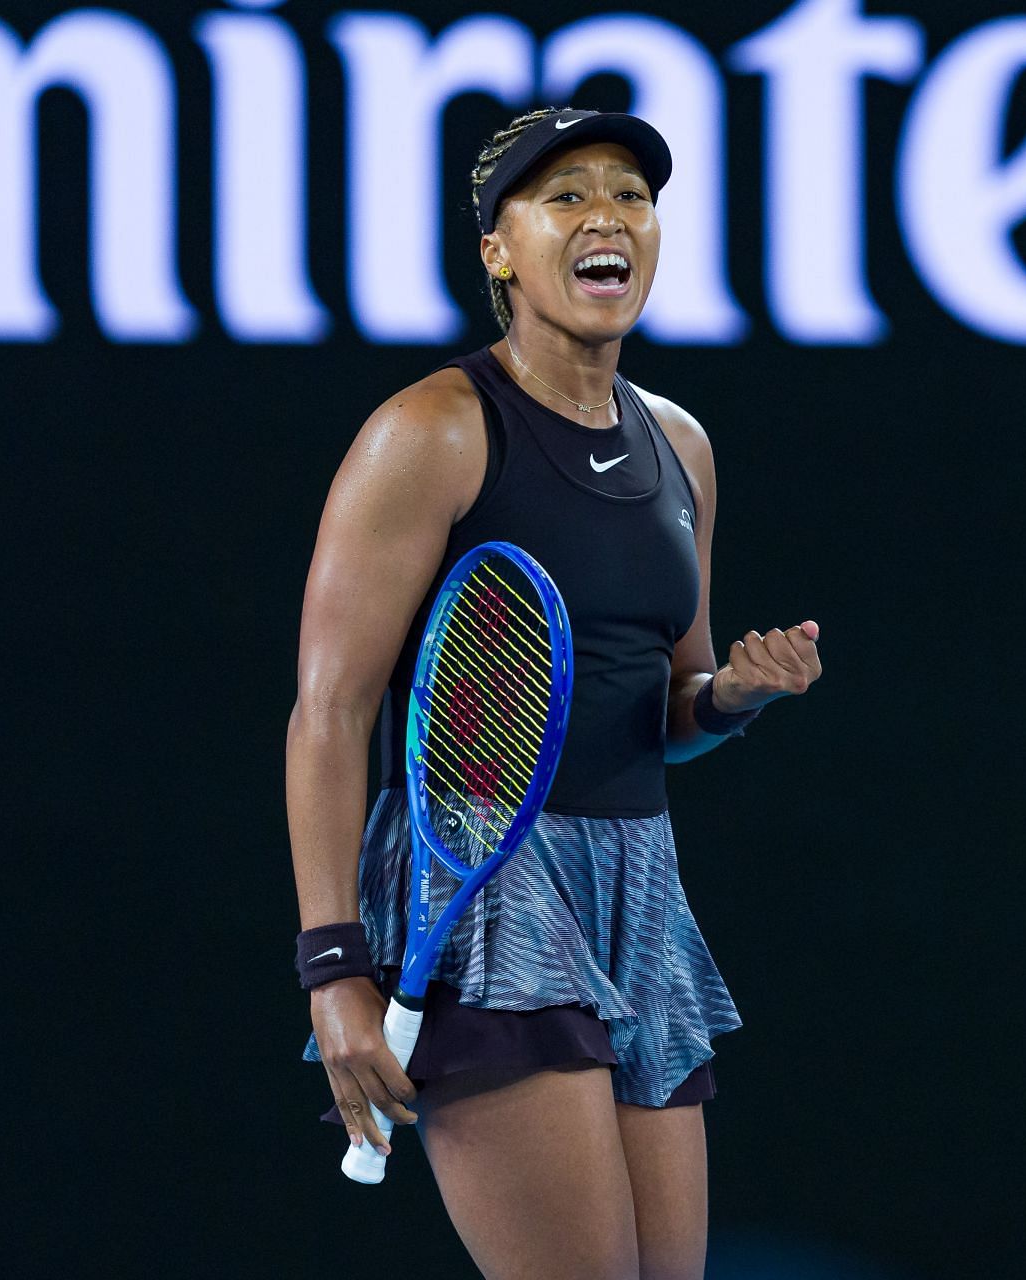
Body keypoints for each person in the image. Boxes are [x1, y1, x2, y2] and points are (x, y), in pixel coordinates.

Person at [285, 105, 822, 1279]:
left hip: (641, 889)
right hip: (483, 886)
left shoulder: (679, 446)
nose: (607, 218)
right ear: (498, 248)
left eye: (630, 195)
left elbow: (667, 708)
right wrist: (334, 971)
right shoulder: (430, 431)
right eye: (566, 194)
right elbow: (330, 707)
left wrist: (731, 696)